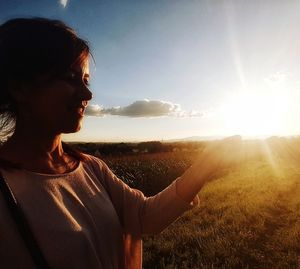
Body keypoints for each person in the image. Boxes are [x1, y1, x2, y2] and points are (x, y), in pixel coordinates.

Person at [0, 18, 241, 269]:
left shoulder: (91, 168)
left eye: (85, 80)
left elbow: (145, 217)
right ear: (20, 88)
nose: (87, 95)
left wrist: (205, 165)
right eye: (70, 78)